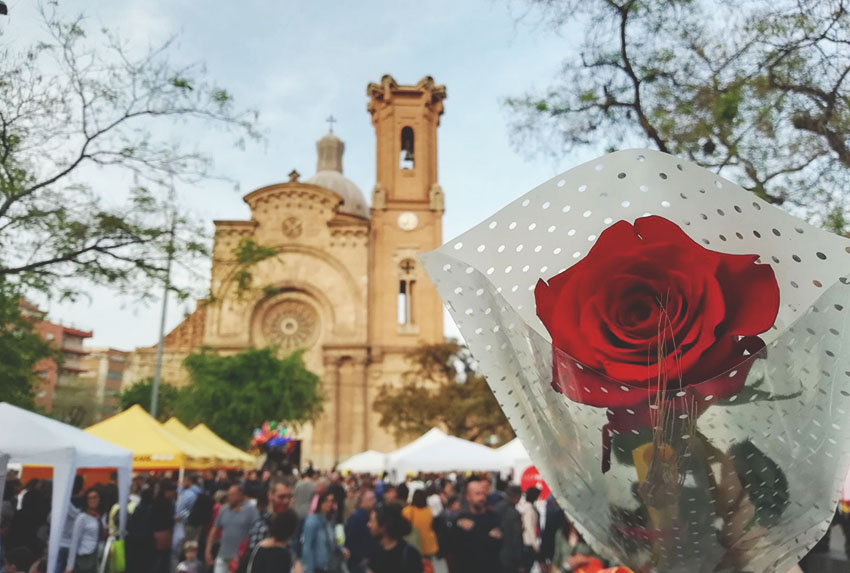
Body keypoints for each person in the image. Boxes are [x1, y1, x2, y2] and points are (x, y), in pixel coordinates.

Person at [206, 485, 260, 573]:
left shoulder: (251, 510)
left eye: (232, 495)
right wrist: (208, 550)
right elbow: (214, 530)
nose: (229, 497)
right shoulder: (223, 510)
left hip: (239, 557)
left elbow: (257, 529)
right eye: (229, 494)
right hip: (223, 554)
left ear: (240, 495)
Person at [453, 478, 502, 573]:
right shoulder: (460, 520)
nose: (482, 498)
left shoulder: (494, 517)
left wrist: (474, 530)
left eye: (484, 494)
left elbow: (498, 544)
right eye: (477, 494)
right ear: (468, 496)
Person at [366, 504, 423, 573]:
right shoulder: (376, 550)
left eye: (372, 521)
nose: (368, 524)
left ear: (383, 527)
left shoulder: (410, 555)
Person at [301, 492, 347, 573]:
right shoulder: (312, 520)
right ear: (320, 503)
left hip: (330, 566)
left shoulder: (331, 521)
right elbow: (307, 546)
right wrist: (308, 569)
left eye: (332, 501)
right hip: (318, 567)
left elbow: (332, 541)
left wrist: (340, 548)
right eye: (326, 501)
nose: (329, 503)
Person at [65, 487, 102, 573]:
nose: (93, 500)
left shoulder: (99, 516)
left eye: (95, 497)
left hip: (97, 556)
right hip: (85, 558)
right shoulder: (82, 518)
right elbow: (75, 541)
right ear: (86, 501)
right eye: (90, 498)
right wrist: (69, 566)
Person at [401, 490, 438, 573]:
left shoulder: (407, 511)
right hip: (428, 545)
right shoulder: (428, 511)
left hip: (414, 545)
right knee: (427, 568)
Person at [345, 490, 378, 573]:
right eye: (370, 499)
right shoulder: (357, 517)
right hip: (359, 560)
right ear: (363, 501)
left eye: (374, 499)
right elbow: (350, 540)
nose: (374, 501)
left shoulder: (369, 515)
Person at [496, 486, 524, 573]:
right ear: (517, 497)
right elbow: (517, 538)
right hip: (510, 557)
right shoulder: (514, 514)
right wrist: (520, 561)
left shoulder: (496, 508)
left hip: (495, 554)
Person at [151, 480, 176, 573]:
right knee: (161, 559)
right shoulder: (163, 503)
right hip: (162, 533)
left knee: (159, 559)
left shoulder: (157, 501)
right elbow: (163, 519)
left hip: (159, 533)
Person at [517, 487, 540, 572]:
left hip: (527, 541)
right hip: (528, 542)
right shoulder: (529, 509)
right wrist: (535, 544)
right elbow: (529, 527)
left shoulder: (528, 507)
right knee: (526, 567)